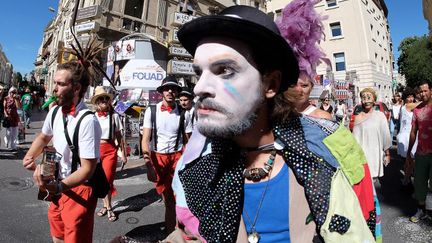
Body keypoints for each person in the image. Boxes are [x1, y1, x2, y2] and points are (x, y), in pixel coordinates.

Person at [169, 4, 378, 242]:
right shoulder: (195, 165)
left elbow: (363, 225)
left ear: (270, 85)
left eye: (225, 70)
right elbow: (188, 233)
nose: (199, 88)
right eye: (199, 73)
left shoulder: (327, 154)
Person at [22, 61, 102, 243]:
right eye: (54, 83)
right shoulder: (55, 111)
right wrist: (30, 156)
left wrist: (59, 187)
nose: (54, 89)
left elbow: (87, 169)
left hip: (79, 188)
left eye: (60, 84)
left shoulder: (88, 121)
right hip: (57, 184)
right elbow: (44, 137)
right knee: (57, 236)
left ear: (76, 88)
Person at [141, 76, 192, 233]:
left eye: (174, 88)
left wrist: (190, 164)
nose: (170, 91)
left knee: (180, 198)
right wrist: (148, 165)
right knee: (168, 199)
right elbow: (145, 140)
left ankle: (178, 230)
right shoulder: (152, 110)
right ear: (162, 91)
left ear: (177, 92)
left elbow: (189, 142)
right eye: (167, 88)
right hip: (158, 158)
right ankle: (171, 231)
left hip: (177, 157)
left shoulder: (184, 113)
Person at [280, 3, 332, 120]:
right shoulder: (273, 117)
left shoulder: (323, 118)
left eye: (304, 85)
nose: (298, 90)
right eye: (293, 84)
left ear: (312, 87)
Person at [92, 86, 127, 222]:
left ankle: (109, 207)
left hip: (110, 150)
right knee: (97, 180)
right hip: (95, 150)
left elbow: (119, 137)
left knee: (107, 180)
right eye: (101, 99)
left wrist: (123, 154)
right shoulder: (92, 116)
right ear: (96, 102)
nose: (104, 101)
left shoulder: (114, 116)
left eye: (106, 98)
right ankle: (105, 206)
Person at [406, 81, 432, 223]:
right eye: (420, 92)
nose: (423, 94)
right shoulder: (417, 110)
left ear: (431, 91)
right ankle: (421, 210)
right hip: (421, 153)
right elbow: (413, 131)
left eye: (425, 91)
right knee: (420, 183)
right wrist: (410, 152)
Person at [352, 88, 391, 179]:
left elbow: (385, 136)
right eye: (363, 98)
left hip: (376, 154)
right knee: (365, 183)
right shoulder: (358, 117)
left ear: (374, 99)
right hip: (363, 156)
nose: (366, 100)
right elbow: (355, 140)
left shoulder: (380, 116)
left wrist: (387, 154)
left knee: (374, 180)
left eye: (369, 97)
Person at [397, 87, 420, 185]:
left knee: (409, 161)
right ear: (405, 98)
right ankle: (407, 180)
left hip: (410, 134)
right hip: (407, 136)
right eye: (408, 97)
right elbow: (421, 104)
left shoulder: (407, 107)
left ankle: (407, 179)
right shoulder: (407, 106)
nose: (410, 99)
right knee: (410, 160)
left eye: (412, 97)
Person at [4, 86, 21, 151]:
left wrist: (16, 99)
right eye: (12, 92)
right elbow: (4, 108)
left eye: (14, 92)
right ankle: (6, 139)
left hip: (15, 117)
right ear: (9, 92)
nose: (13, 93)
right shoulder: (6, 98)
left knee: (15, 132)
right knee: (8, 133)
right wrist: (6, 114)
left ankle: (13, 146)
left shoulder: (17, 98)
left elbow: (18, 107)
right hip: (9, 117)